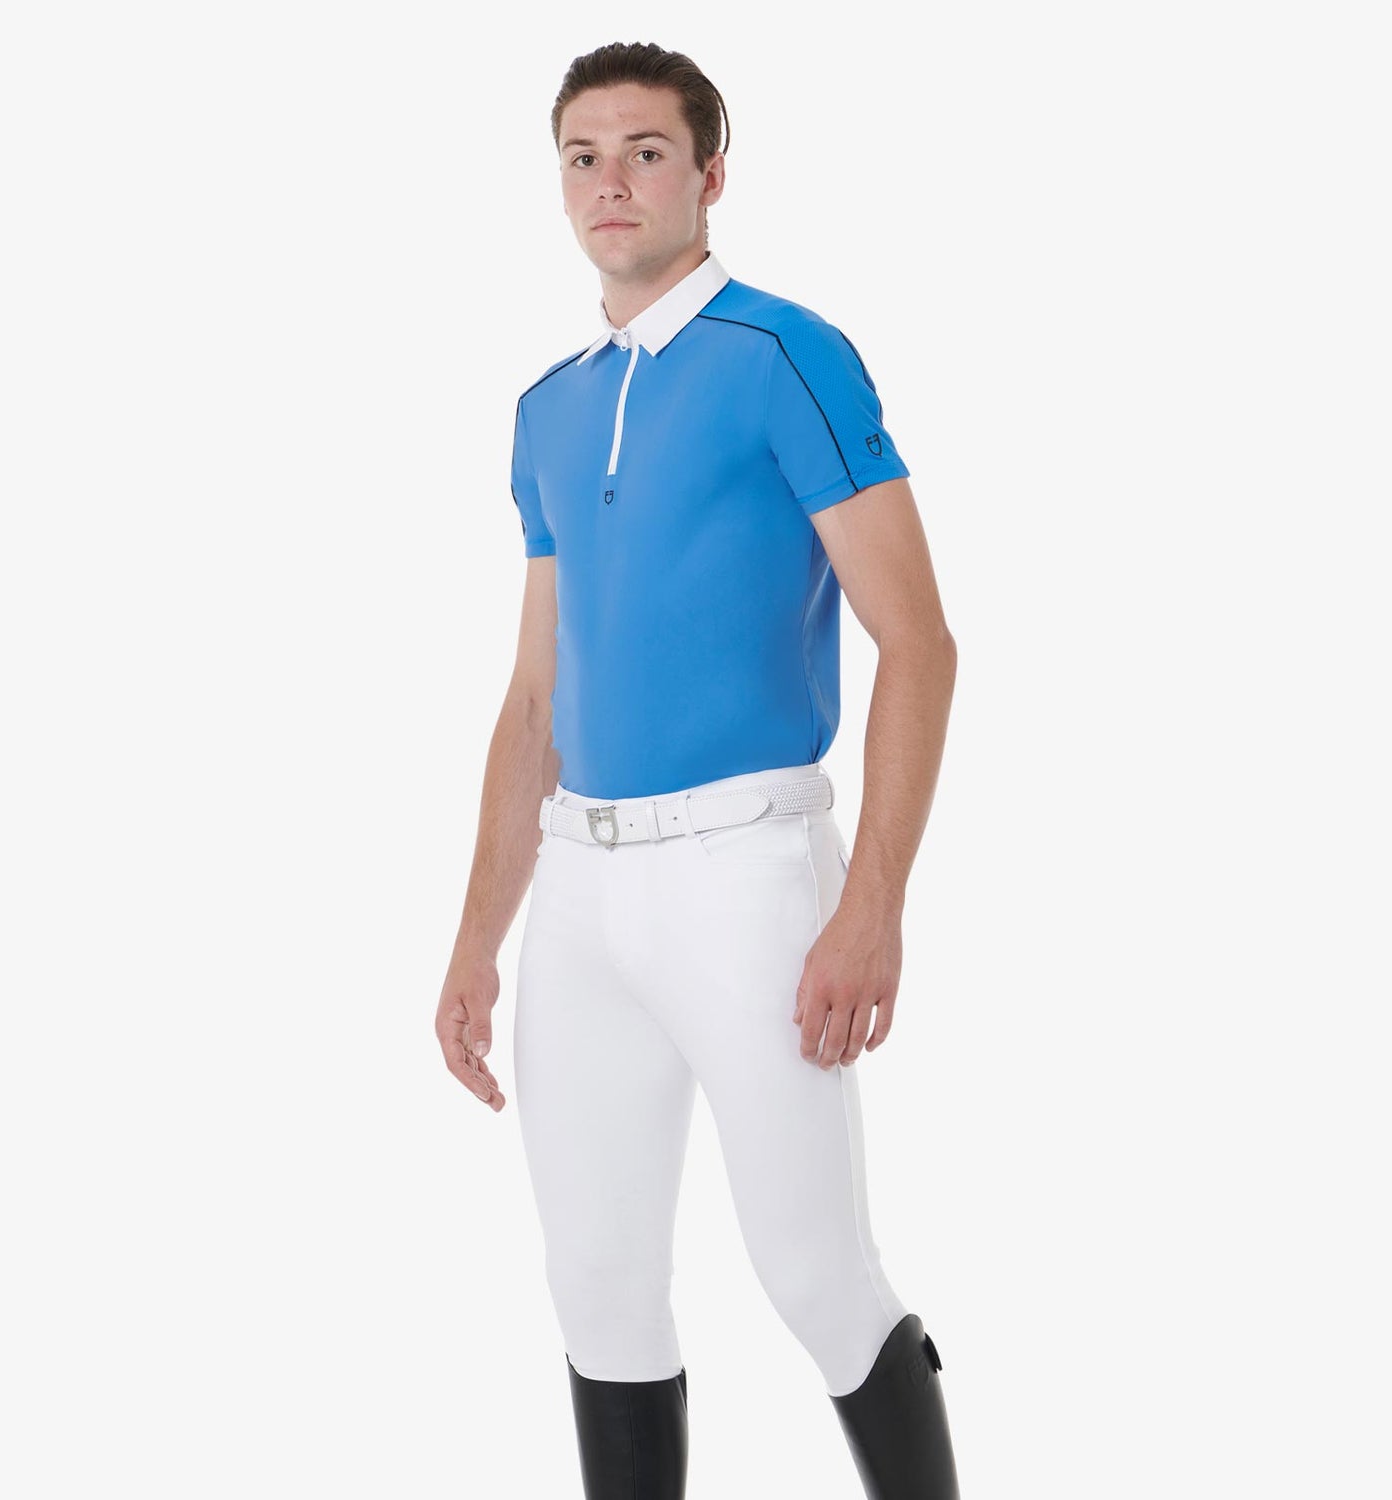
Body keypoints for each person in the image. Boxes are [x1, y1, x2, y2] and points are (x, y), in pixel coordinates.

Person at [435, 40, 960, 1500]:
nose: (611, 182)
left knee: (816, 1272)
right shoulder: (547, 406)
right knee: (596, 1286)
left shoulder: (786, 355)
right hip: (581, 892)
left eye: (646, 152)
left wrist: (871, 905)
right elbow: (534, 698)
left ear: (710, 174)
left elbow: (919, 643)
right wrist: (477, 938)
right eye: (583, 157)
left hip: (748, 871)